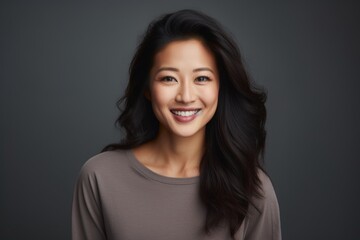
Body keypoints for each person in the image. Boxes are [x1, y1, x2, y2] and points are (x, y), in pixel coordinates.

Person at [72, 9, 281, 240]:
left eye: (202, 78)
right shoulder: (99, 177)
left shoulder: (253, 189)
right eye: (168, 78)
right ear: (147, 89)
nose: (186, 96)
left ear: (221, 88)